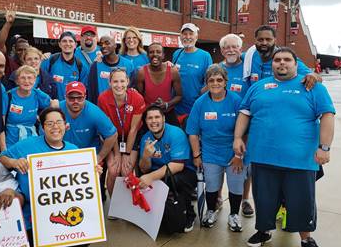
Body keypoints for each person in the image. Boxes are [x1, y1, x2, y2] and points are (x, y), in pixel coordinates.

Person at [234, 47, 335, 247]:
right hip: (263, 156)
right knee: (264, 199)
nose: (281, 63)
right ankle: (264, 231)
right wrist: (237, 138)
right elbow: (245, 113)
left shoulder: (312, 87)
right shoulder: (258, 87)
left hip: (300, 159)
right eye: (277, 60)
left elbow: (327, 116)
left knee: (301, 201)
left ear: (296, 64)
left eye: (287, 59)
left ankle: (306, 238)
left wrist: (324, 147)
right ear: (271, 64)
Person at [0, 107, 102, 246]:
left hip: (68, 211)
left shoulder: (74, 150)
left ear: (66, 126)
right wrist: (14, 162)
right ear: (42, 128)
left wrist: (93, 172)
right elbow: (1, 158)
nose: (55, 127)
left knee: (83, 241)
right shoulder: (27, 145)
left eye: (59, 122)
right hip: (34, 214)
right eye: (49, 123)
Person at [186, 65, 245, 231]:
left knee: (235, 185)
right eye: (211, 80)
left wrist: (239, 155)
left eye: (219, 80)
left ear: (226, 82)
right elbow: (192, 132)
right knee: (211, 185)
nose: (215, 83)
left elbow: (245, 130)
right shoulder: (200, 103)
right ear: (206, 83)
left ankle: (234, 214)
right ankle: (210, 211)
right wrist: (197, 156)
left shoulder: (236, 101)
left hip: (234, 153)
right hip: (211, 152)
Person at [138, 105, 197, 233]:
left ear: (164, 118)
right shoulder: (145, 139)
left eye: (157, 117)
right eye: (150, 118)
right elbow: (143, 169)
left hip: (183, 171)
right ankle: (159, 214)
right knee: (141, 179)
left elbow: (177, 165)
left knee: (174, 180)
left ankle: (188, 213)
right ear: (146, 121)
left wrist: (151, 177)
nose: (154, 121)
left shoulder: (176, 133)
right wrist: (146, 157)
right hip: (159, 172)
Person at [60, 81, 118, 195]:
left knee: (93, 192)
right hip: (64, 155)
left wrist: (99, 156)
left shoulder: (93, 111)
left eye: (79, 98)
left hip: (88, 156)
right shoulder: (57, 109)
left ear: (85, 97)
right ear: (65, 97)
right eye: (71, 98)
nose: (75, 101)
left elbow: (112, 134)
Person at [219, 34, 254, 217]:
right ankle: (216, 197)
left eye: (234, 47)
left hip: (245, 124)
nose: (231, 50)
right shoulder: (216, 69)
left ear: (241, 49)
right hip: (221, 124)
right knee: (220, 163)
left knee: (244, 165)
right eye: (227, 47)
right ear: (222, 50)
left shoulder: (248, 68)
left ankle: (245, 200)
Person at [97, 69, 146, 195]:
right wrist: (117, 153)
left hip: (131, 135)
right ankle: (114, 205)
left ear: (128, 81)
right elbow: (109, 131)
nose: (119, 85)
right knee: (113, 170)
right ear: (109, 82)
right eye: (115, 81)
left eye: (122, 81)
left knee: (126, 170)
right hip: (111, 136)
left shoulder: (137, 98)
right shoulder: (103, 98)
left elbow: (134, 129)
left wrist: (126, 153)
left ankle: (127, 204)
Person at [243, 25, 321, 90]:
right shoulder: (249, 57)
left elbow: (316, 77)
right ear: (255, 41)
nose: (264, 43)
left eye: (268, 39)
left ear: (275, 41)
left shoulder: (286, 59)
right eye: (260, 40)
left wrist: (313, 76)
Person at [4, 65, 58, 147]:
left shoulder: (37, 94)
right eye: (23, 78)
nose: (26, 81)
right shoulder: (8, 96)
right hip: (11, 140)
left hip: (31, 138)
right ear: (17, 81)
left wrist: (42, 117)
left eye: (30, 78)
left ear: (35, 80)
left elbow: (54, 103)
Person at [172, 23, 212, 124]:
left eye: (191, 34)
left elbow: (210, 81)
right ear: (180, 36)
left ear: (196, 36)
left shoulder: (205, 56)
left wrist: (198, 95)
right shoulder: (177, 54)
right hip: (176, 107)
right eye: (185, 34)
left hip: (195, 108)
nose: (188, 37)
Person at [136, 42, 182, 126]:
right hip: (149, 114)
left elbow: (179, 96)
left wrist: (167, 104)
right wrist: (150, 106)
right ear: (148, 55)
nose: (155, 54)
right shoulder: (142, 72)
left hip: (167, 112)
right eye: (151, 52)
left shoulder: (172, 71)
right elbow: (139, 97)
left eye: (158, 52)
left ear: (163, 55)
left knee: (177, 135)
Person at [40, 32, 89, 100]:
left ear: (75, 45)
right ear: (59, 44)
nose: (67, 44)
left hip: (71, 107)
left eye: (71, 41)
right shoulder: (49, 60)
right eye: (64, 41)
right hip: (52, 106)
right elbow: (40, 82)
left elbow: (83, 90)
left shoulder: (82, 66)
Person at [87, 35, 134, 103]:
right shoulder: (95, 65)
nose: (103, 46)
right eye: (101, 44)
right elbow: (91, 93)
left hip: (122, 108)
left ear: (115, 45)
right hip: (101, 108)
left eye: (107, 43)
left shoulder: (128, 65)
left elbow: (132, 89)